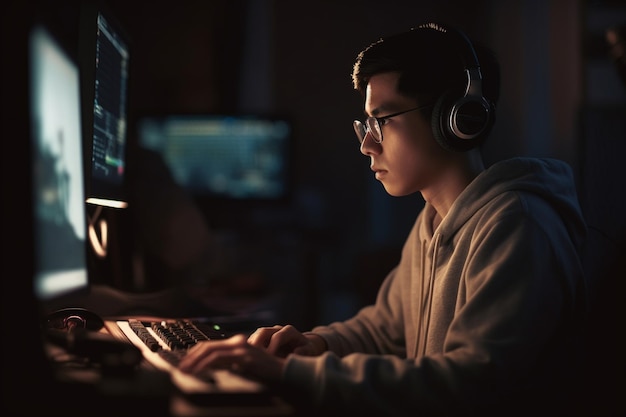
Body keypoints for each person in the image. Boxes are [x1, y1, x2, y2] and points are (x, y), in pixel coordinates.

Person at [179, 22, 588, 416]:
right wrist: (314, 345)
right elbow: (385, 329)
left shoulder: (517, 226)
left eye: (383, 121)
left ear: (457, 118)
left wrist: (292, 373)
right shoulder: (433, 221)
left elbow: (470, 384)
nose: (367, 145)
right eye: (366, 124)